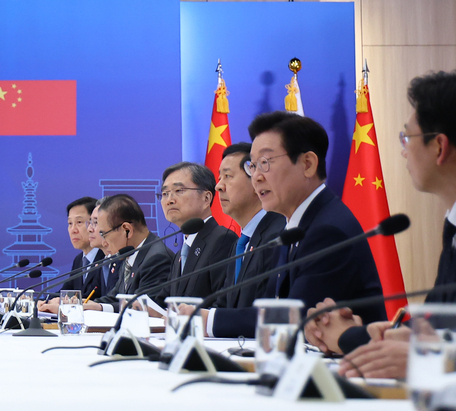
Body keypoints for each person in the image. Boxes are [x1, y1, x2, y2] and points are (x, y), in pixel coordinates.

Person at [303, 71, 456, 378]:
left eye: (407, 137)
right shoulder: (452, 226)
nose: (403, 149)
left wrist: (427, 360)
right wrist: (375, 334)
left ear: (439, 147)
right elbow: (439, 332)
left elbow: (437, 349)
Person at [204, 112, 385, 339]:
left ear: (307, 164)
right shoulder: (293, 227)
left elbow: (292, 319)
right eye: (253, 166)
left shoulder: (328, 230)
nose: (256, 177)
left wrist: (206, 320)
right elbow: (270, 309)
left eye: (265, 163)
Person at [41, 194, 173, 314]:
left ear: (127, 230)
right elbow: (114, 297)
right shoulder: (130, 253)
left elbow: (141, 308)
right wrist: (85, 305)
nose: (104, 242)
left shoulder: (156, 258)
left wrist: (97, 307)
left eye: (104, 234)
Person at [214, 142, 286, 309]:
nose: (218, 186)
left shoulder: (277, 236)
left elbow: (266, 311)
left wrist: (208, 318)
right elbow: (225, 304)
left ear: (256, 180)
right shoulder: (239, 244)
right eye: (219, 178)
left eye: (227, 176)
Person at [156, 162, 238, 302]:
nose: (169, 200)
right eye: (165, 194)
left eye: (178, 191)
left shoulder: (222, 240)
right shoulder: (181, 254)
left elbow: (223, 303)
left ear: (206, 198)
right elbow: (165, 301)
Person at [59, 196, 104, 299]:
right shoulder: (79, 260)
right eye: (70, 223)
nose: (73, 230)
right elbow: (67, 292)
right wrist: (44, 302)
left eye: (79, 222)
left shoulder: (107, 256)